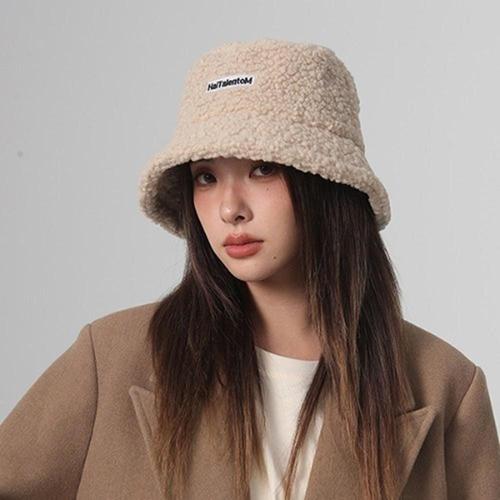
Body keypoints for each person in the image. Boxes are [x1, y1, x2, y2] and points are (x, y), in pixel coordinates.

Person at [1, 38, 499, 500]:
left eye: (263, 168)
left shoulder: (445, 387)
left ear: (329, 184)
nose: (229, 208)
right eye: (206, 177)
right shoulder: (112, 358)